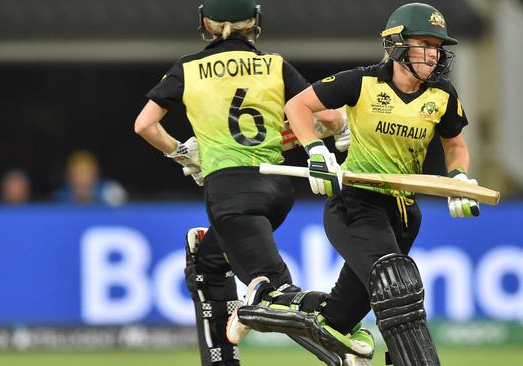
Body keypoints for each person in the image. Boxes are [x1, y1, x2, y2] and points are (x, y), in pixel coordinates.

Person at [232, 3, 481, 366]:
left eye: (437, 46)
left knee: (338, 318)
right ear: (397, 45)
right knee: (397, 287)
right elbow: (297, 106)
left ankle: (265, 303)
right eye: (424, 43)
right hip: (356, 205)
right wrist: (317, 152)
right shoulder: (361, 81)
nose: (434, 53)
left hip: (404, 212)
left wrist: (458, 178)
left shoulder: (443, 94)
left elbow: (455, 146)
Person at [133, 1, 362, 365]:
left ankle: (343, 344)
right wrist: (326, 134)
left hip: (228, 191)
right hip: (276, 187)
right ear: (254, 22)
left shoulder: (189, 67)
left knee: (272, 290)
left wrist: (182, 153)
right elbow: (332, 118)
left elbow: (145, 125)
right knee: (206, 262)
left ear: (206, 23)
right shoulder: (274, 65)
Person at [53, 150, 127, 206]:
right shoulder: (60, 197)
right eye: (77, 174)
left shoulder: (110, 192)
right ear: (69, 176)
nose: (82, 179)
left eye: (86, 173)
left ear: (96, 175)